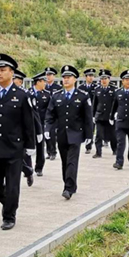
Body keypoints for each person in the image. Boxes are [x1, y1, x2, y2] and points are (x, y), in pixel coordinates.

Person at [0, 54, 35, 230]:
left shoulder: (21, 95)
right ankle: (10, 204)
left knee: (12, 186)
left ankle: (9, 216)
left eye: (2, 70)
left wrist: (30, 146)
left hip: (14, 148)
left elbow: (28, 122)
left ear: (12, 73)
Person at [45, 65, 92, 199]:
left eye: (69, 77)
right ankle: (70, 184)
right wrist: (47, 129)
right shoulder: (56, 96)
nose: (66, 80)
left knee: (72, 161)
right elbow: (50, 115)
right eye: (64, 77)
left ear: (75, 79)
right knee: (65, 162)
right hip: (61, 134)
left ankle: (68, 188)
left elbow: (88, 118)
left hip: (76, 134)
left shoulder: (82, 96)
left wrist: (89, 135)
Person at [28, 71, 51, 176]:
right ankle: (27, 167)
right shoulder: (28, 93)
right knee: (27, 147)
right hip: (29, 125)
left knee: (40, 147)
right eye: (43, 82)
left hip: (41, 124)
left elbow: (49, 110)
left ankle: (39, 167)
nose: (45, 84)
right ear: (38, 82)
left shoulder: (47, 94)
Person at [92, 69, 117, 158]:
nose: (104, 80)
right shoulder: (97, 89)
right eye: (102, 78)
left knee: (113, 135)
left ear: (109, 79)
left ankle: (115, 150)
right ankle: (98, 152)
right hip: (100, 116)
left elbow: (116, 103)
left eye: (105, 78)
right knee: (99, 135)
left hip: (110, 116)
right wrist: (93, 115)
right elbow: (95, 103)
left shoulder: (114, 90)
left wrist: (115, 113)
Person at [78, 68, 97, 154]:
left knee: (91, 128)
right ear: (86, 77)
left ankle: (88, 146)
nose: (91, 77)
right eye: (89, 76)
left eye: (92, 76)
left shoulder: (96, 87)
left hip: (92, 111)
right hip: (82, 111)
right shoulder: (81, 87)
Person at [44, 67, 62, 160]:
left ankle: (53, 152)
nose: (48, 77)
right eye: (47, 75)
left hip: (54, 114)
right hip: (45, 113)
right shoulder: (44, 86)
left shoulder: (58, 87)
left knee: (52, 134)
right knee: (46, 133)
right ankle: (48, 151)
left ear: (54, 76)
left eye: (50, 75)